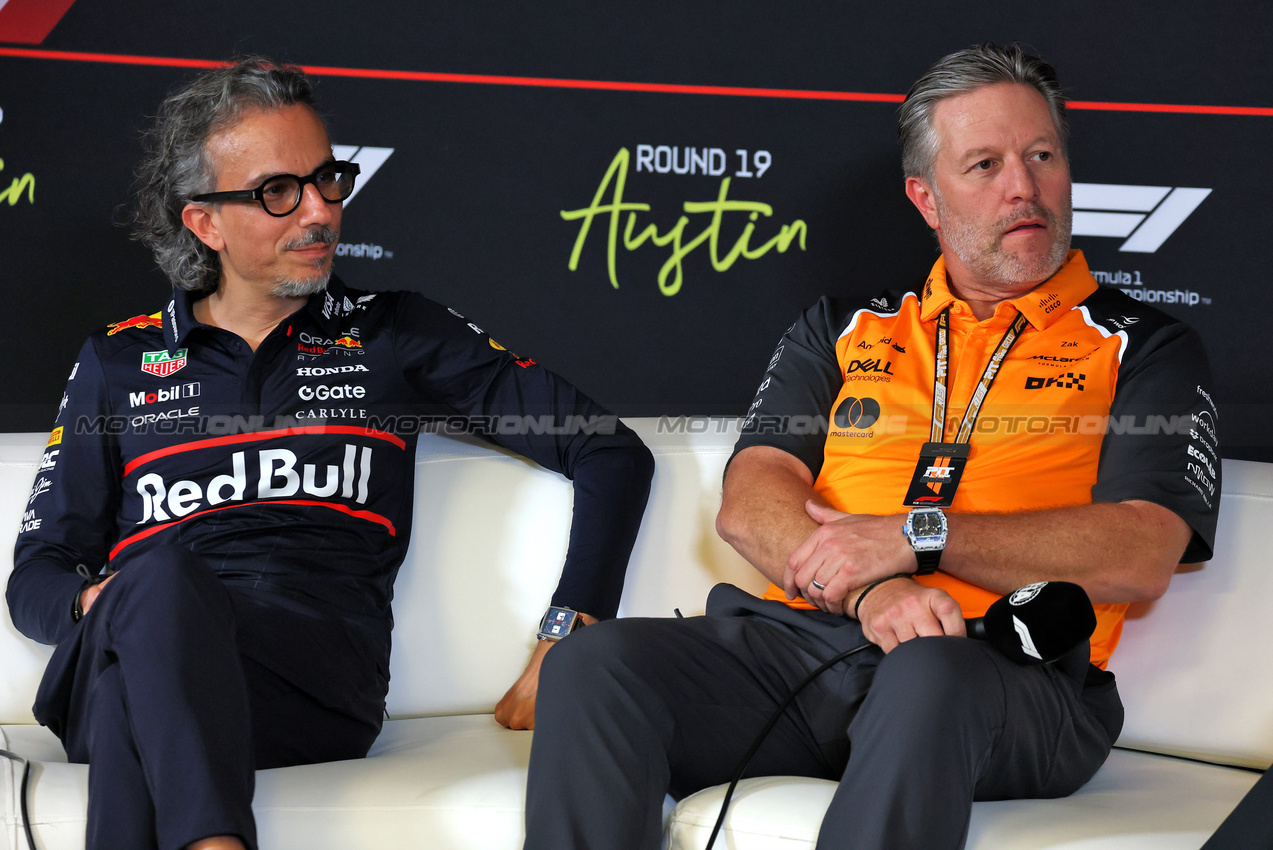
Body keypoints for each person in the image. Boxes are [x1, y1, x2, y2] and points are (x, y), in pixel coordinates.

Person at [523, 42, 1220, 850]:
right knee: (595, 664)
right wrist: (867, 593)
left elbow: (1143, 549)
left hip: (1004, 678)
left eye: (1040, 156)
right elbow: (752, 502)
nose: (1022, 187)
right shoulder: (844, 325)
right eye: (984, 165)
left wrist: (918, 536)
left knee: (929, 673)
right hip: (809, 651)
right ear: (926, 198)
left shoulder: (1145, 344)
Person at [6, 57, 653, 850]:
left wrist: (569, 633)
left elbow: (610, 452)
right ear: (203, 222)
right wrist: (99, 603)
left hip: (311, 681)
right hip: (143, 635)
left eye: (328, 180)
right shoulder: (118, 362)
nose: (318, 212)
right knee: (159, 592)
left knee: (121, 696)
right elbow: (37, 576)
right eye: (278, 192)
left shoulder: (396, 332)